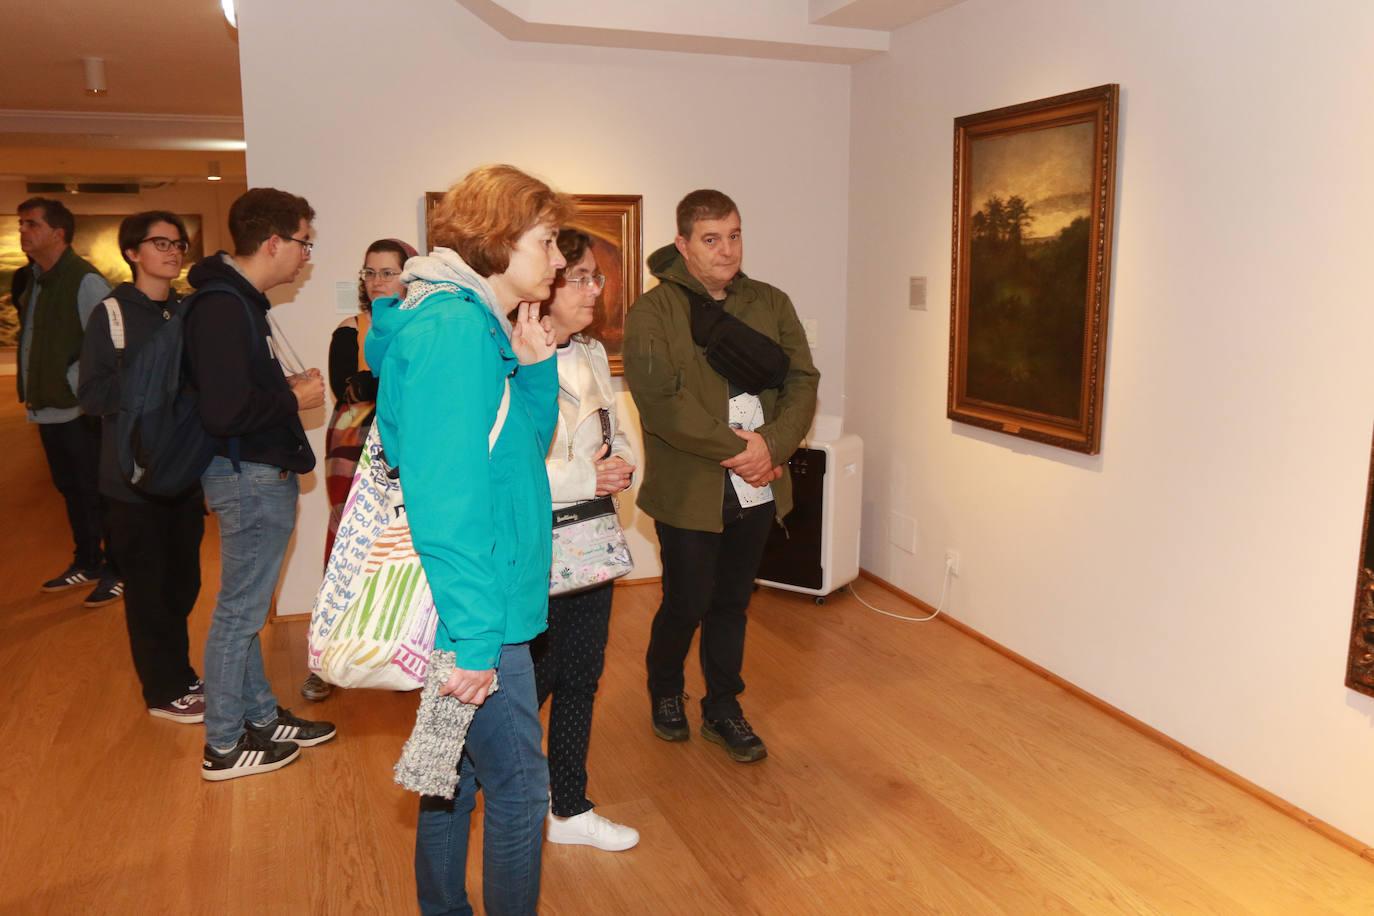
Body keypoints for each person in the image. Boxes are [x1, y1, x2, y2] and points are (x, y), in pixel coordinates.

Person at [367, 163, 568, 915]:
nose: (556, 259)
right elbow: (446, 501)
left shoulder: (476, 321)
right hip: (478, 610)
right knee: (520, 787)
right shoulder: (455, 329)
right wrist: (477, 641)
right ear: (498, 238)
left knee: (453, 770)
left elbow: (517, 458)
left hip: (483, 597)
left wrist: (538, 371)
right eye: (546, 241)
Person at [623, 189, 819, 763]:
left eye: (734, 235)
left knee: (732, 602)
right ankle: (665, 691)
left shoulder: (770, 303)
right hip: (692, 487)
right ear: (683, 244)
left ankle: (723, 707)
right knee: (686, 600)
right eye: (711, 239)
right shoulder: (653, 313)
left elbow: (802, 380)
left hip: (759, 478)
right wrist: (741, 449)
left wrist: (772, 446)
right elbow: (661, 403)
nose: (726, 250)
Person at [185, 187, 336, 781]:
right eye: (303, 243)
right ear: (273, 242)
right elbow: (223, 413)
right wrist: (292, 396)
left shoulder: (235, 301)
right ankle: (223, 746)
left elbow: (231, 395)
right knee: (239, 614)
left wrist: (281, 389)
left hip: (253, 472)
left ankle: (259, 718)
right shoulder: (223, 306)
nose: (306, 255)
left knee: (246, 610)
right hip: (245, 474)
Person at [532, 229, 639, 852]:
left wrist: (620, 463)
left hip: (594, 535)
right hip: (537, 540)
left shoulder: (593, 353)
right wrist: (583, 474)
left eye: (596, 277)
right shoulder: (510, 360)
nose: (595, 289)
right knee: (528, 679)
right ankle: (461, 778)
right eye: (581, 277)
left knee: (583, 675)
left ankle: (568, 808)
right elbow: (500, 464)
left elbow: (616, 432)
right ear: (546, 285)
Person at [77, 211, 206, 722]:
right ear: (133, 252)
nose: (173, 251)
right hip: (132, 479)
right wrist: (154, 384)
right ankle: (163, 689)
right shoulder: (111, 314)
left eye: (178, 243)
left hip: (184, 472)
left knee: (185, 582)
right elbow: (91, 394)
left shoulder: (188, 311)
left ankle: (178, 669)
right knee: (149, 588)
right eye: (160, 243)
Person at [302, 236, 419, 703]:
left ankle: (400, 651)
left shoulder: (425, 323)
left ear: (409, 275)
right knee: (347, 547)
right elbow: (349, 390)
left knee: (406, 552)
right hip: (353, 449)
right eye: (369, 273)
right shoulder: (350, 330)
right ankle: (327, 662)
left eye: (387, 272)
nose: (376, 282)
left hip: (413, 449)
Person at [15, 197, 122, 608]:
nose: (24, 231)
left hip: (80, 409)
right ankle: (88, 561)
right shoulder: (36, 279)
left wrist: (80, 385)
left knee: (97, 490)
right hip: (48, 406)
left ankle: (117, 569)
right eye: (22, 224)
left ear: (57, 233)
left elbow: (109, 346)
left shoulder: (84, 281)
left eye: (31, 224)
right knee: (71, 490)